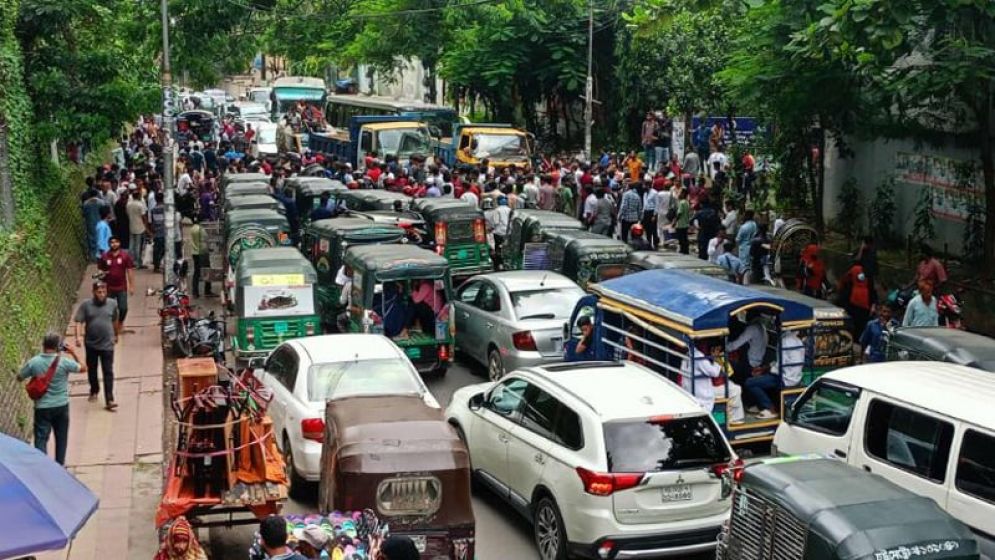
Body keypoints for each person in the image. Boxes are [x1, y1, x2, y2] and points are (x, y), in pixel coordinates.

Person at [18, 333, 86, 465]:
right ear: (58, 347)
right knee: (61, 438)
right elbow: (83, 368)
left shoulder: (34, 362)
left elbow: (20, 376)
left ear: (43, 345)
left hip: (42, 408)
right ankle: (60, 466)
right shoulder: (64, 362)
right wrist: (73, 352)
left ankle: (42, 467)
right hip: (61, 406)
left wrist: (34, 378)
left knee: (41, 438)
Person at [74, 281, 119, 411]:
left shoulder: (112, 304)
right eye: (99, 292)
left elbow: (115, 320)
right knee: (92, 369)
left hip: (107, 344)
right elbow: (78, 321)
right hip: (91, 344)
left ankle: (109, 398)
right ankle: (94, 389)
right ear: (94, 292)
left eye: (104, 292)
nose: (102, 294)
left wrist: (116, 334)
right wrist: (78, 336)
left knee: (108, 371)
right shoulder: (86, 305)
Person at [745, 330, 805, 419]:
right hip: (795, 377)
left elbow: (781, 365)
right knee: (762, 378)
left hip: (785, 378)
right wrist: (765, 368)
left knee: (750, 382)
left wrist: (764, 371)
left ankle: (770, 409)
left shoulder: (784, 341)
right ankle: (762, 406)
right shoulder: (797, 340)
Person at [680, 342, 745, 424]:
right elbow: (716, 373)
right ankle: (735, 419)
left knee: (732, 386)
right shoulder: (699, 357)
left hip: (694, 387)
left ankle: (732, 416)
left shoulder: (690, 353)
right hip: (701, 392)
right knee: (736, 389)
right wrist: (715, 358)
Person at [97, 236, 135, 333]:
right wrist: (101, 276)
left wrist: (131, 286)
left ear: (120, 243)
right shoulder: (105, 256)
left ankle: (120, 322)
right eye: (112, 242)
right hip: (108, 287)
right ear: (109, 244)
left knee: (123, 308)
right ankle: (110, 326)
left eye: (116, 242)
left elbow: (130, 270)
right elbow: (100, 269)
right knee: (108, 308)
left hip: (121, 287)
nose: (114, 244)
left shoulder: (125, 256)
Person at [727, 312, 768, 386]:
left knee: (727, 364)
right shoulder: (762, 327)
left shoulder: (752, 328)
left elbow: (734, 345)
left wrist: (725, 348)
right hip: (760, 361)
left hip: (749, 364)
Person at [838, 261, 875, 337]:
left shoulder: (854, 271)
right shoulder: (867, 275)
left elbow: (844, 280)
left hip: (855, 302)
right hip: (862, 304)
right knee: (859, 324)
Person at [190, 216, 214, 298]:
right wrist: (208, 250)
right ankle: (207, 290)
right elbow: (204, 241)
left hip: (194, 252)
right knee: (207, 271)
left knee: (196, 272)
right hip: (202, 253)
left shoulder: (192, 228)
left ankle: (195, 292)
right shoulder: (201, 229)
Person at [126, 189, 148, 265]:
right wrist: (146, 226)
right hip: (140, 227)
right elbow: (143, 217)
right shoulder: (140, 205)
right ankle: (137, 262)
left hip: (131, 225)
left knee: (131, 244)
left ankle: (129, 260)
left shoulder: (128, 205)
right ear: (138, 196)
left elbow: (128, 214)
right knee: (138, 245)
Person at [150, 191, 166, 272]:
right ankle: (161, 265)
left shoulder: (153, 210)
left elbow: (152, 222)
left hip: (157, 233)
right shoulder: (165, 209)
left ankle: (156, 266)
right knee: (164, 250)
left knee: (157, 250)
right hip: (164, 232)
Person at [674, 189, 691, 254]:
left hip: (681, 224)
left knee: (681, 239)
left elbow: (679, 213)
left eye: (680, 193)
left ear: (683, 194)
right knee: (685, 238)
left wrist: (674, 221)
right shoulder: (686, 202)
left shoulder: (681, 202)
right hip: (685, 224)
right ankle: (686, 251)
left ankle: (683, 251)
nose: (679, 194)